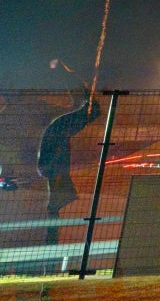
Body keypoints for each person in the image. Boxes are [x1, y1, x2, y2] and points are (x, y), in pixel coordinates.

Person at [36, 93, 99, 247]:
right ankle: (51, 241)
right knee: (54, 206)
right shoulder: (61, 125)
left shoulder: (57, 126)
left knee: (54, 206)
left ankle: (51, 240)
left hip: (51, 170)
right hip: (53, 171)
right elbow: (91, 114)